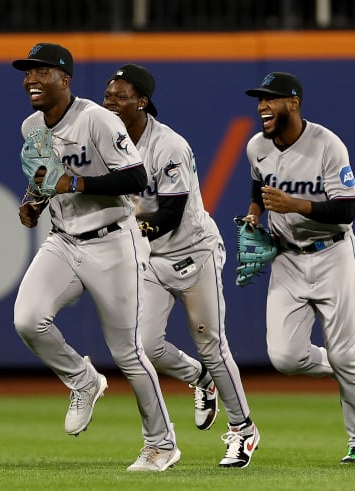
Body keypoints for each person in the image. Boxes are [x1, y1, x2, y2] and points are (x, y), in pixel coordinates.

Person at [11, 43, 180, 472]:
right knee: (28, 319)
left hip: (112, 241)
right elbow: (45, 177)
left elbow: (137, 177)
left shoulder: (97, 119)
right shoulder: (31, 125)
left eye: (41, 72)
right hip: (64, 240)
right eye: (28, 72)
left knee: (128, 352)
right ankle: (83, 379)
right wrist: (33, 201)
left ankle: (161, 444)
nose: (31, 78)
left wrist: (76, 184)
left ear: (64, 80)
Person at [102, 64, 260, 468]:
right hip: (151, 258)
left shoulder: (168, 144)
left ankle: (244, 431)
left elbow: (170, 212)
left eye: (120, 95)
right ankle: (199, 378)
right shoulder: (106, 141)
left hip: (193, 252)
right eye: (107, 94)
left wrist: (119, 229)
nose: (110, 101)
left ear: (142, 102)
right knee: (147, 345)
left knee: (210, 343)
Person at [241, 72, 355, 464]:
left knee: (344, 352)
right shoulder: (256, 147)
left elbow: (348, 208)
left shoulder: (327, 144)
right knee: (285, 357)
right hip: (286, 257)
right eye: (259, 100)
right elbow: (259, 186)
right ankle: (345, 366)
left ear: (294, 103)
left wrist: (297, 205)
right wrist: (254, 213)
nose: (262, 106)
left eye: (271, 99)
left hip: (332, 254)